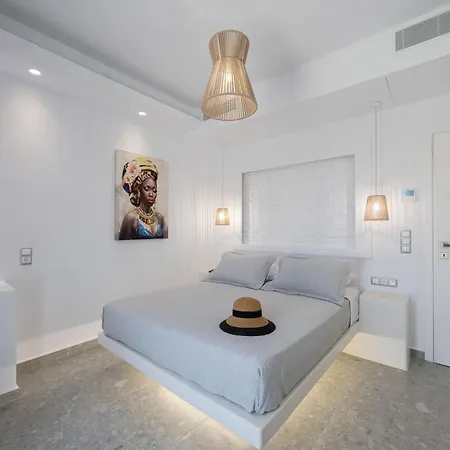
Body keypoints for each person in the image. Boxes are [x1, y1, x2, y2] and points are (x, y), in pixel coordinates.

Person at [119, 157, 166, 239]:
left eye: (154, 191)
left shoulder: (159, 218)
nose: (151, 194)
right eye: (146, 189)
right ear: (138, 191)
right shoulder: (131, 218)